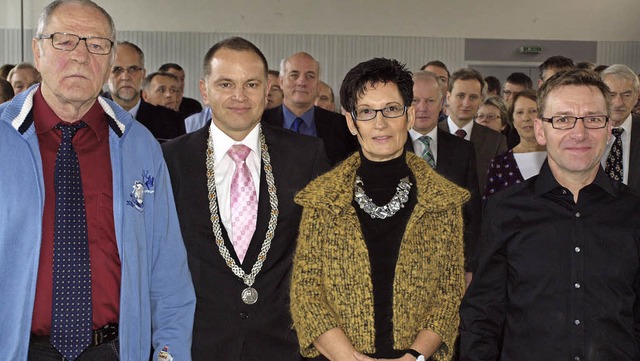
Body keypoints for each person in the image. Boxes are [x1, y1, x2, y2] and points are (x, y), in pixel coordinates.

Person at [0, 1, 195, 360]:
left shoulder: (140, 146)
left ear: (108, 61)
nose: (80, 55)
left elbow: (168, 274)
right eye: (64, 40)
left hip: (113, 349)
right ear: (37, 50)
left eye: (96, 44)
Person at [162, 36, 330, 360]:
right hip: (198, 344)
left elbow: (324, 258)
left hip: (284, 345)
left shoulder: (306, 156)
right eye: (226, 84)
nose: (239, 96)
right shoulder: (171, 160)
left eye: (251, 84)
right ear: (204, 89)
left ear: (268, 91)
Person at [291, 58, 468, 361]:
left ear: (409, 116)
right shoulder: (321, 199)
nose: (380, 123)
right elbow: (307, 294)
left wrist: (414, 356)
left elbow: (449, 294)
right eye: (366, 112)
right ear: (350, 121)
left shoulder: (443, 200)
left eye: (391, 109)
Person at [459, 69, 640, 361]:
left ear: (609, 130)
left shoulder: (634, 212)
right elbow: (482, 316)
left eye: (593, 119)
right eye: (563, 119)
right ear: (541, 130)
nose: (579, 133)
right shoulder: (505, 209)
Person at [406, 70, 481, 282]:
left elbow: (472, 213)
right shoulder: (388, 148)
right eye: (415, 100)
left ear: (442, 104)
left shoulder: (463, 150)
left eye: (430, 100)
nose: (422, 108)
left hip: (450, 267)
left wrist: (469, 266)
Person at [262, 51, 357, 166]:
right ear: (281, 82)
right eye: (294, 75)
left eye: (310, 76)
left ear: (318, 84)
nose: (301, 82)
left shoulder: (342, 126)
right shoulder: (261, 123)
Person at [439, 68, 507, 191]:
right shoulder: (430, 134)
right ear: (448, 97)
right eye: (461, 96)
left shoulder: (496, 142)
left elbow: (501, 187)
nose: (466, 103)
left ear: (481, 100)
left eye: (473, 97)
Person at [107, 41, 185, 141]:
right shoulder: (87, 117)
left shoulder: (172, 121)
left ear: (143, 74)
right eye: (117, 69)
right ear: (106, 75)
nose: (125, 77)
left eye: (133, 69)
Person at [483, 89, 546, 198]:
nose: (526, 118)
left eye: (532, 111)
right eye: (519, 112)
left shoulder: (560, 159)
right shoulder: (499, 164)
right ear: (512, 121)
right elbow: (490, 208)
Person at [600, 64, 640, 192]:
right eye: (611, 95)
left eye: (626, 95)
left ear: (637, 96)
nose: (618, 103)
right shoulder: (585, 130)